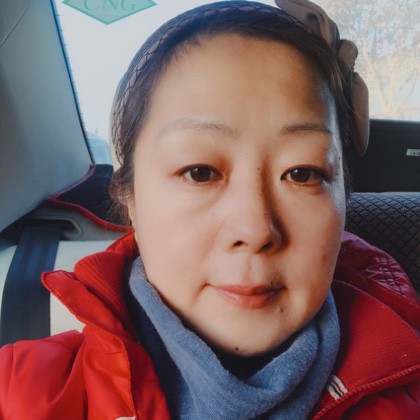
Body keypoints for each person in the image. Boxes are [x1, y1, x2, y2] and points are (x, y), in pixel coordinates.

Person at [1, 0, 419, 418]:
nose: (255, 229)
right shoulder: (21, 394)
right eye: (200, 172)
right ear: (131, 198)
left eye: (302, 173)